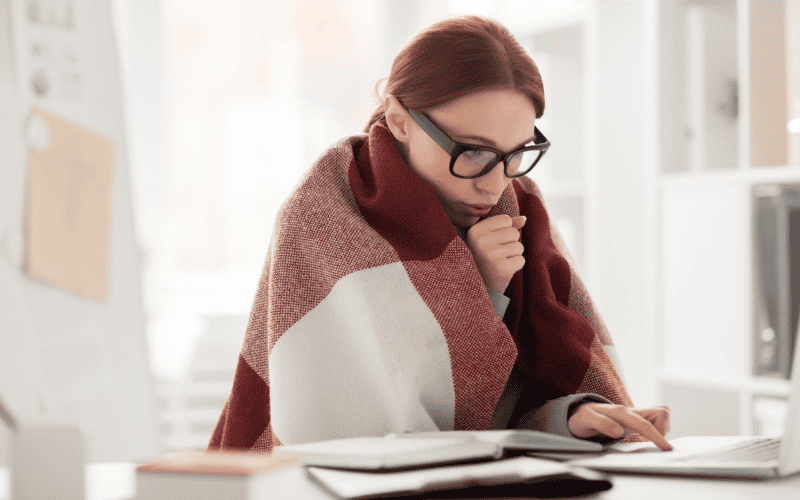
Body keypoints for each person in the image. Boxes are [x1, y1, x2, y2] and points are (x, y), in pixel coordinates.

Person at [209, 15, 671, 453]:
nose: (494, 183)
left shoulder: (521, 207)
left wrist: (572, 418)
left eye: (516, 154)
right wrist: (481, 287)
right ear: (399, 119)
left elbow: (498, 420)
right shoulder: (325, 215)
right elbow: (381, 434)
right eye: (472, 152)